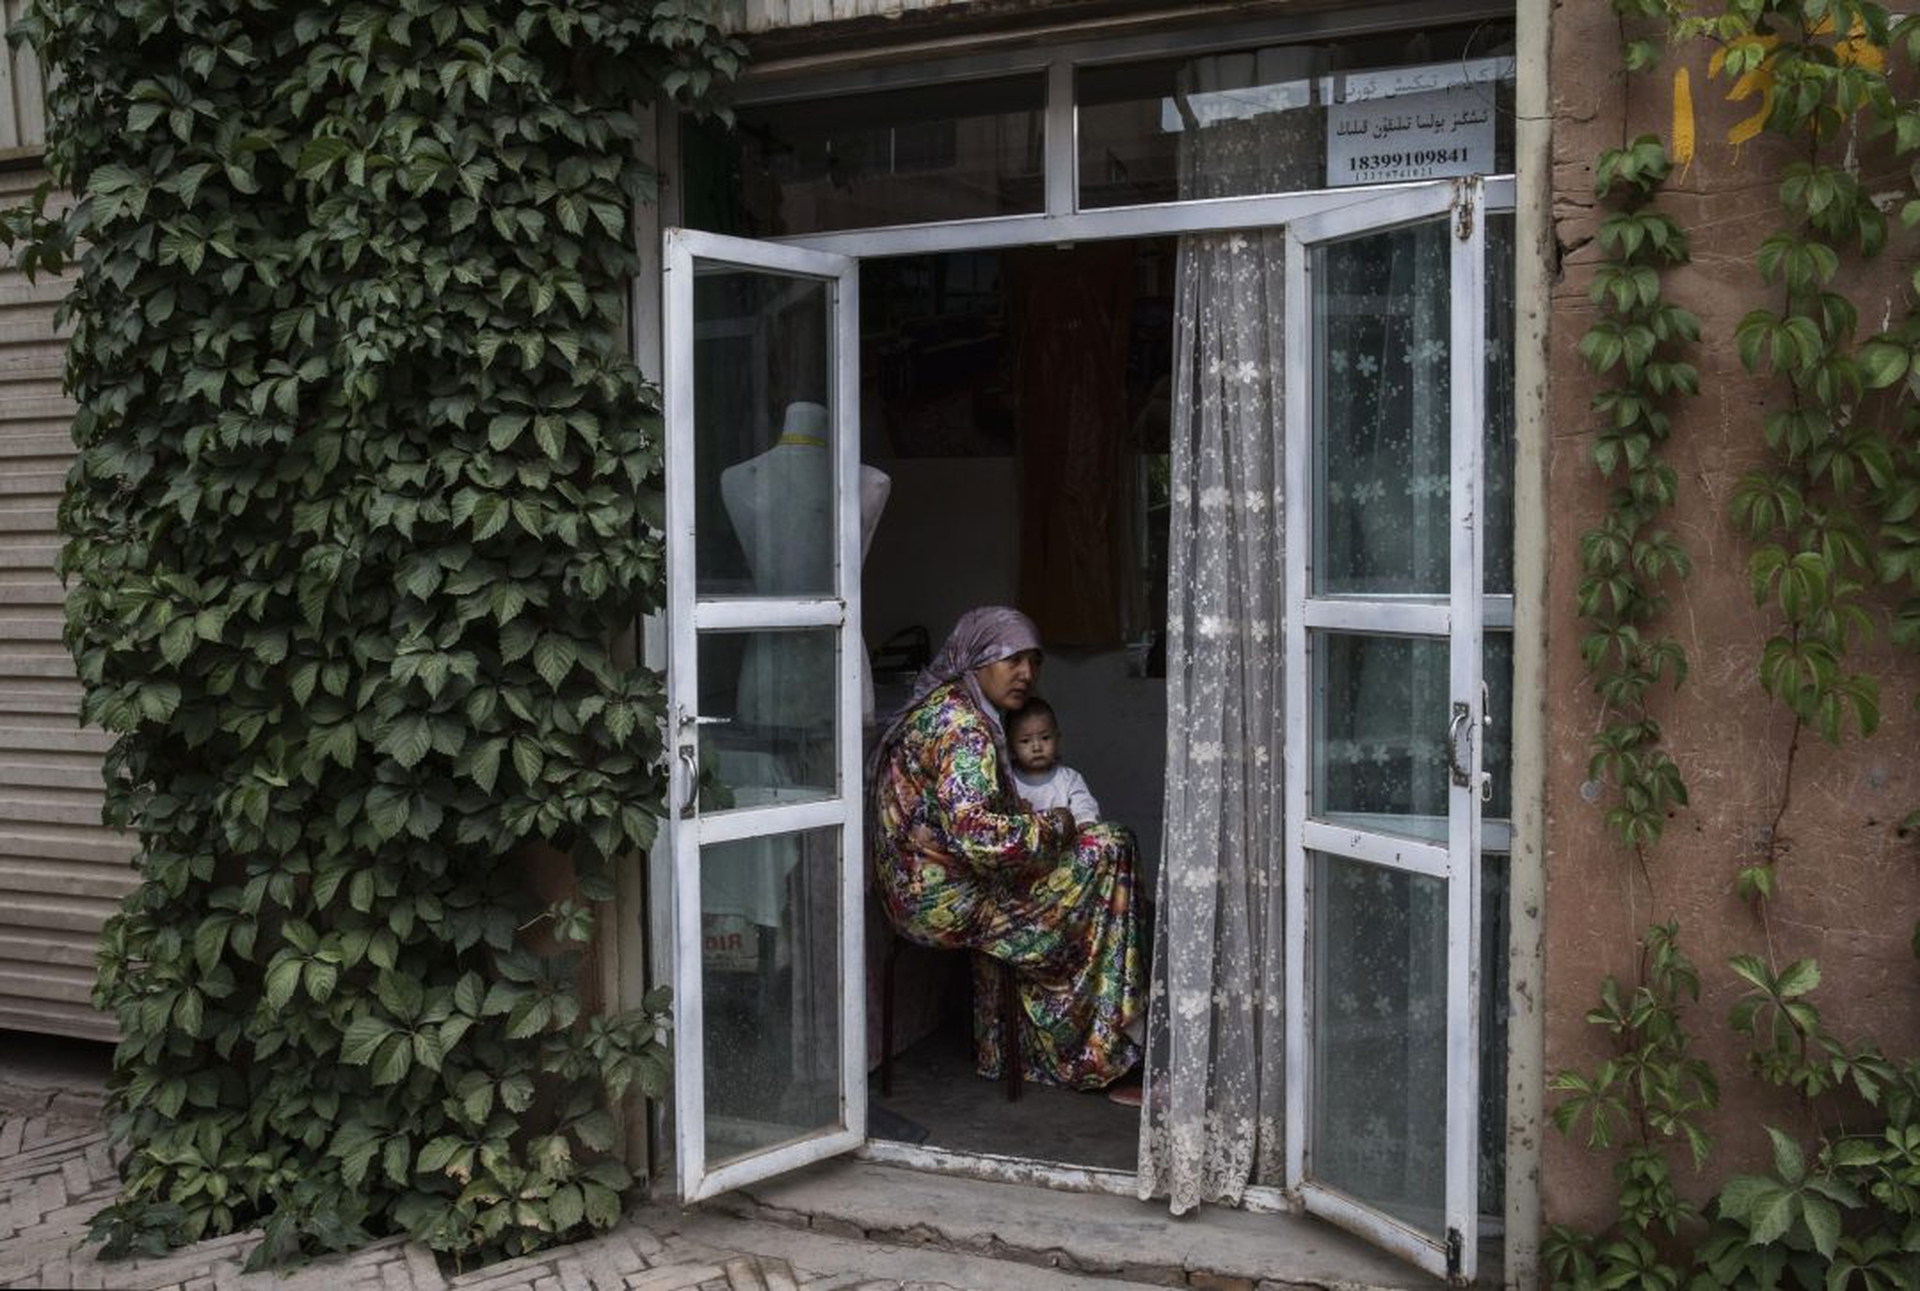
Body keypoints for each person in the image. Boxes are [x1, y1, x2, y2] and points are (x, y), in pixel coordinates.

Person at [869, 606, 1143, 1093]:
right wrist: (1056, 824)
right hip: (947, 903)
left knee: (1095, 855)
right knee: (1111, 847)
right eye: (1012, 659)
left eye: (1034, 662)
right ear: (977, 658)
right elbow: (983, 838)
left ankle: (1044, 1044)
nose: (1027, 674)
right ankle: (1095, 1046)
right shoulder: (965, 728)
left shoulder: (940, 705)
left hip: (914, 894)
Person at [1006, 697, 1102, 826]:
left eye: (1045, 738)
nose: (1037, 747)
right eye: (1025, 741)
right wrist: (1016, 813)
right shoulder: (1007, 782)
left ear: (1057, 739)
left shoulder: (1069, 779)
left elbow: (1085, 808)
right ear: (1011, 747)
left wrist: (1084, 822)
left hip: (1066, 844)